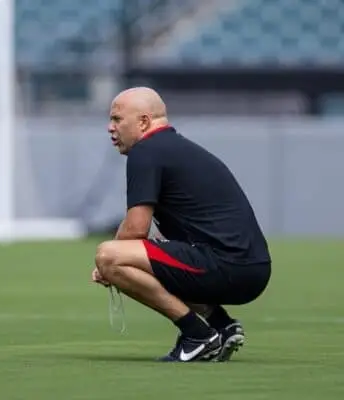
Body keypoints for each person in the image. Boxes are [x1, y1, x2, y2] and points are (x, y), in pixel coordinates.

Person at [92, 87, 271, 362]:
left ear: (143, 122)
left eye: (117, 119)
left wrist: (107, 266)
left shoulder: (147, 151)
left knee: (109, 255)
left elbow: (136, 229)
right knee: (144, 255)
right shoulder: (176, 148)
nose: (110, 128)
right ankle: (220, 325)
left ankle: (197, 335)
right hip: (251, 267)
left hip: (228, 265)